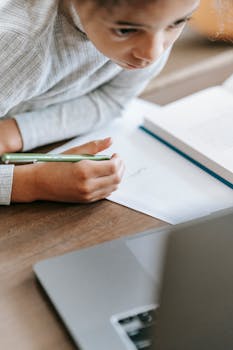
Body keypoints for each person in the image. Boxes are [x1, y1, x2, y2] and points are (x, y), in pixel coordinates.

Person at [0, 0, 199, 205]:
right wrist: (31, 183)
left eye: (177, 22)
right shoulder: (18, 44)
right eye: (126, 30)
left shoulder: (157, 17)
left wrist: (15, 132)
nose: (152, 54)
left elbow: (112, 100)